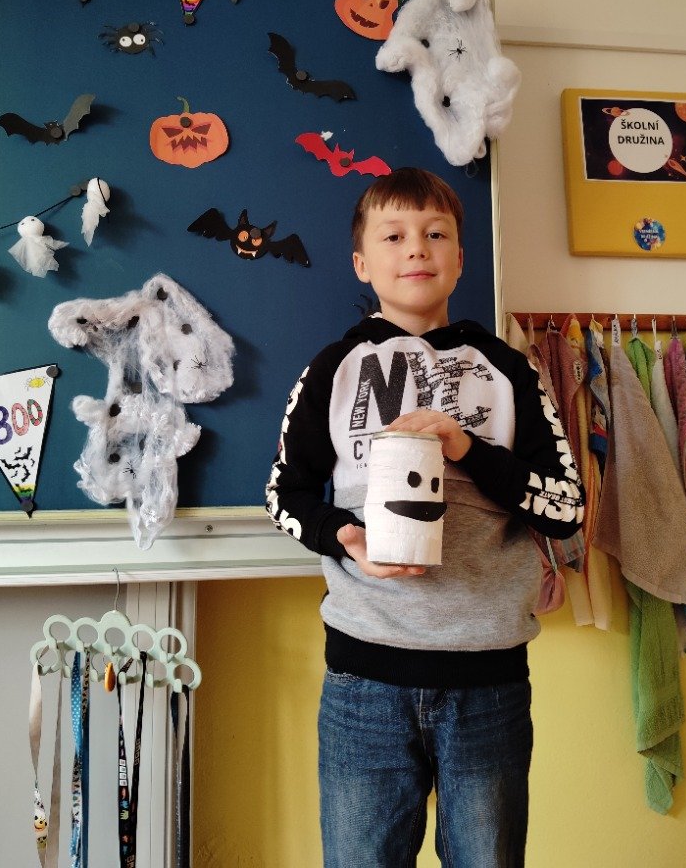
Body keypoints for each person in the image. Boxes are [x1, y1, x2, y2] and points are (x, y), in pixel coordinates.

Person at [266, 167, 584, 868]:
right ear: (362, 262)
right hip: (363, 679)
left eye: (435, 234)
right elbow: (284, 494)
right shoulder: (333, 368)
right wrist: (347, 538)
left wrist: (467, 448)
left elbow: (565, 507)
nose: (416, 248)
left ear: (460, 259)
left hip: (488, 680)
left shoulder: (508, 370)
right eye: (394, 236)